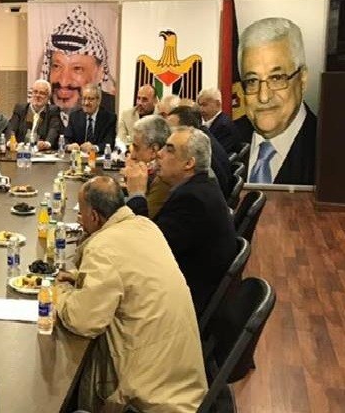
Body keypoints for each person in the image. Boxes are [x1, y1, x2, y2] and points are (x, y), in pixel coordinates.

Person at [56, 176, 207, 412]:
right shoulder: (145, 226)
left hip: (148, 399)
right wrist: (80, 278)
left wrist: (59, 292)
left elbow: (83, 321)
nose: (80, 220)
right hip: (181, 378)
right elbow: (128, 276)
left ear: (94, 216)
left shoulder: (103, 247)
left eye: (81, 214)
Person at [122, 127, 237, 313]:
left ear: (189, 163)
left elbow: (147, 249)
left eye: (169, 150)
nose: (159, 154)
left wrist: (137, 194)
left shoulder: (193, 200)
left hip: (182, 304)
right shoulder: (198, 187)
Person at [235, 17, 317, 185]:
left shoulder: (333, 153)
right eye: (252, 81)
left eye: (276, 78)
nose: (263, 96)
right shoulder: (223, 144)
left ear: (302, 79)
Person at [40, 5, 117, 116]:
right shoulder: (43, 109)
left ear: (100, 73)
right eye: (56, 66)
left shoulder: (113, 109)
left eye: (77, 69)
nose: (64, 82)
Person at [166, 105, 234, 198]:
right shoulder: (205, 137)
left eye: (171, 130)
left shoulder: (197, 150)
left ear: (187, 128)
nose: (167, 134)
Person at [124, 115, 172, 218]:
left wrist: (136, 192)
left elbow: (141, 220)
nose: (132, 155)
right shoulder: (154, 172)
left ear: (154, 150)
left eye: (136, 148)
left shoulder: (162, 180)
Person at [6, 79, 62, 149]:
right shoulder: (20, 109)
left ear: (48, 97)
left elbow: (53, 129)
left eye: (42, 93)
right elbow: (11, 128)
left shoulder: (53, 111)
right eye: (35, 92)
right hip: (21, 151)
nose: (38, 95)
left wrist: (47, 143)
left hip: (41, 152)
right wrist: (10, 142)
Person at [65, 84, 117, 152]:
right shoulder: (74, 117)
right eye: (84, 99)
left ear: (98, 101)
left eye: (90, 99)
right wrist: (69, 146)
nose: (86, 103)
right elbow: (66, 139)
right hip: (78, 157)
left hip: (98, 157)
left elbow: (109, 143)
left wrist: (94, 148)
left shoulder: (109, 118)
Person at [196, 88, 242, 152]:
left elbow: (218, 154)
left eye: (204, 105)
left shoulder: (224, 126)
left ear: (218, 104)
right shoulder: (208, 122)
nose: (201, 109)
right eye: (200, 105)